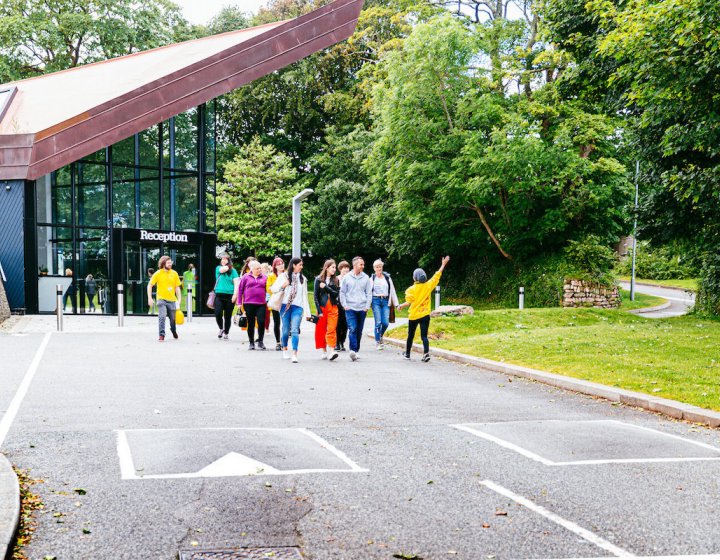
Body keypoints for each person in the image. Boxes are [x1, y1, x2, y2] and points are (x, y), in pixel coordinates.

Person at [397, 256, 451, 362]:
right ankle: (426, 353)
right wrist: (443, 264)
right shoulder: (428, 286)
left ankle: (407, 354)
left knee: (410, 335)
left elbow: (409, 302)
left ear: (414, 278)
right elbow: (437, 275)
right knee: (424, 336)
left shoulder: (410, 290)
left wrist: (400, 306)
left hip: (414, 316)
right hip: (425, 315)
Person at [271, 257, 312, 363]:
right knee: (285, 330)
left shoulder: (303, 279)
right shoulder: (283, 276)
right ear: (294, 265)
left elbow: (305, 297)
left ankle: (294, 353)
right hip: (285, 306)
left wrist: (307, 313)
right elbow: (273, 289)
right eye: (300, 265)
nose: (302, 267)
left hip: (297, 307)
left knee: (294, 330)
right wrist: (283, 286)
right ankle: (284, 348)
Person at [339, 256, 372, 362]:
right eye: (361, 264)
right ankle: (352, 350)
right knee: (352, 328)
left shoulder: (366, 277)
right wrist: (345, 305)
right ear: (355, 265)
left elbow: (369, 293)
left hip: (362, 308)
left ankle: (356, 350)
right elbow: (342, 292)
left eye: (363, 264)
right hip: (350, 308)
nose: (363, 266)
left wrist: (367, 307)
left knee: (359, 330)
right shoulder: (347, 277)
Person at [235, 260, 268, 350]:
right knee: (251, 323)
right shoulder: (246, 277)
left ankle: (260, 341)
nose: (259, 270)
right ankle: (251, 342)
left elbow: (268, 289)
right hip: (248, 303)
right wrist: (238, 303)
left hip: (261, 303)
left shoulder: (265, 277)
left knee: (261, 322)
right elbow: (240, 290)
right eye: (257, 268)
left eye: (260, 268)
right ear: (252, 269)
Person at [147, 255, 182, 342]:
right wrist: (150, 298)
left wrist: (179, 299)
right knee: (162, 316)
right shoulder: (157, 273)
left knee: (172, 319)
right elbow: (150, 285)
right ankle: (161, 334)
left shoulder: (174, 273)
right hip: (161, 299)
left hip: (172, 300)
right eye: (168, 263)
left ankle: (173, 330)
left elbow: (177, 287)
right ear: (163, 264)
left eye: (171, 262)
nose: (170, 264)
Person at [370, 259, 400, 350]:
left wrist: (397, 304)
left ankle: (380, 335)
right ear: (374, 268)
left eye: (380, 266)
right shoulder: (372, 278)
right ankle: (378, 341)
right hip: (376, 301)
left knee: (385, 323)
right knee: (378, 322)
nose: (379, 268)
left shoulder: (387, 278)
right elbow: (368, 292)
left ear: (382, 267)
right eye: (377, 267)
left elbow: (392, 291)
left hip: (386, 301)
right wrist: (367, 304)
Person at [314, 259, 340, 361]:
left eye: (335, 267)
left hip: (333, 307)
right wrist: (319, 311)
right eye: (332, 267)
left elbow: (336, 294)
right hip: (322, 307)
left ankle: (332, 351)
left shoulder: (336, 280)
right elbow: (315, 297)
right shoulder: (318, 279)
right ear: (327, 267)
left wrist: (326, 287)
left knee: (332, 329)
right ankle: (324, 350)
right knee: (321, 329)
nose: (334, 269)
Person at [214, 254, 239, 341]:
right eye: (222, 259)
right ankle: (221, 328)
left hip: (230, 295)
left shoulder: (233, 271)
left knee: (227, 316)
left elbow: (237, 283)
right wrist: (229, 265)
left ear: (229, 260)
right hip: (219, 295)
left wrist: (235, 295)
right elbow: (222, 269)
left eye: (226, 259)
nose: (223, 261)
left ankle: (226, 333)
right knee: (218, 313)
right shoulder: (218, 268)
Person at [266, 257, 285, 351]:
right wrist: (278, 288)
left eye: (282, 263)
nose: (281, 265)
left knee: (285, 322)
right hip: (276, 301)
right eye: (278, 264)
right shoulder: (271, 276)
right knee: (277, 322)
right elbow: (268, 288)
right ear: (275, 266)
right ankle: (278, 342)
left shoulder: (287, 275)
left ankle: (284, 340)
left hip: (285, 301)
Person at [334, 260, 350, 352]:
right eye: (344, 268)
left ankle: (342, 342)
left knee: (345, 325)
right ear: (340, 269)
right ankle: (337, 343)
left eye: (347, 268)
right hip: (338, 304)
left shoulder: (350, 279)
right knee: (337, 324)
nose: (346, 270)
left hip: (347, 304)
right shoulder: (336, 279)